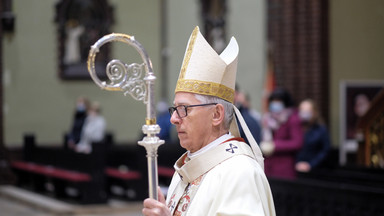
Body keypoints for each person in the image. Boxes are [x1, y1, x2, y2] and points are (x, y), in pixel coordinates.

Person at [142, 26, 275, 216]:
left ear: (216, 115)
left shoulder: (239, 172)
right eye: (175, 108)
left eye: (184, 109)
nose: (173, 119)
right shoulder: (189, 167)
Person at [260, 88, 303, 179]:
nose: (275, 104)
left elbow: (297, 143)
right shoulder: (268, 118)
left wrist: (275, 145)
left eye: (278, 101)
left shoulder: (292, 119)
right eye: (273, 101)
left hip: (284, 168)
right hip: (268, 166)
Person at [295, 99, 330, 172]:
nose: (304, 114)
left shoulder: (321, 130)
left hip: (316, 170)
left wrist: (310, 164)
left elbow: (325, 150)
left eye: (307, 111)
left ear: (314, 113)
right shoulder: (295, 128)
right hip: (295, 169)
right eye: (302, 111)